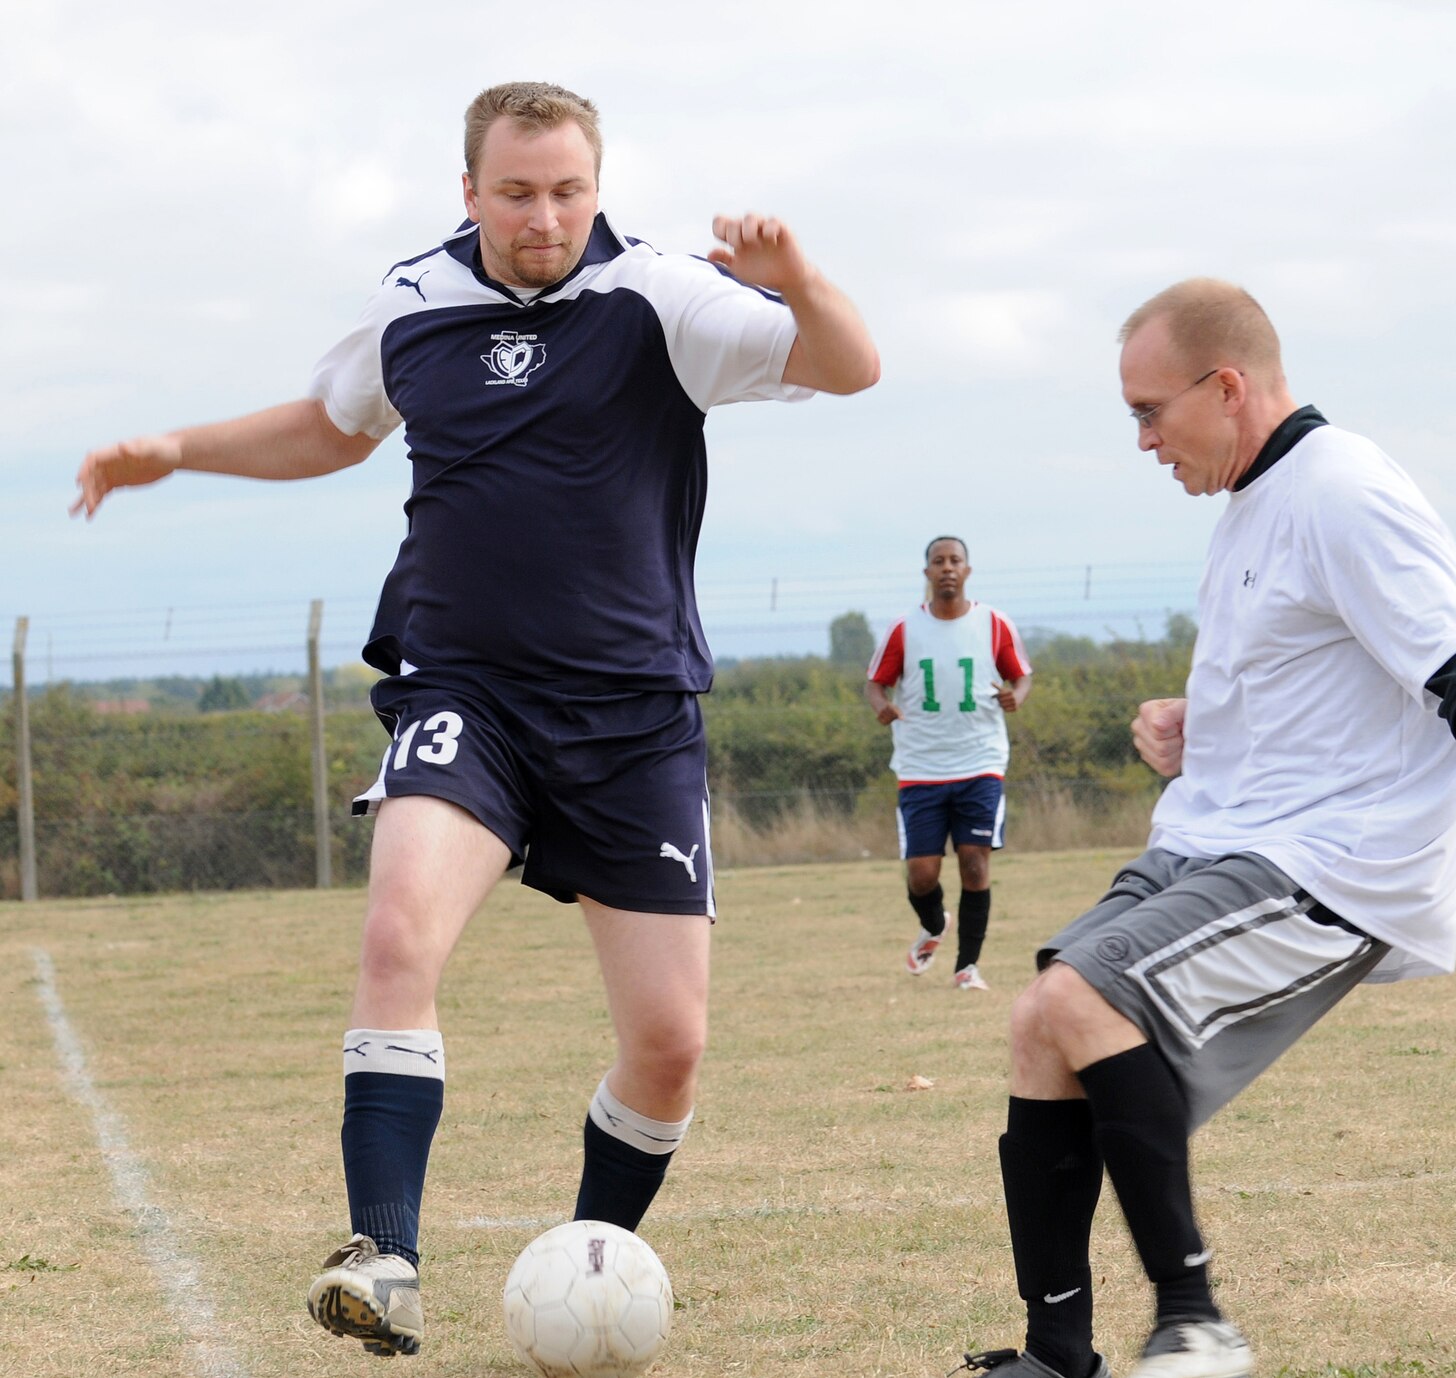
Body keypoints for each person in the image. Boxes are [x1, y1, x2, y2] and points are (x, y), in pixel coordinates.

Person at [71, 81, 879, 1359]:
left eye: (566, 191)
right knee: (397, 932)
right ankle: (381, 1252)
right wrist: (174, 449)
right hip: (466, 693)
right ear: (468, 190)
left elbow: (848, 367)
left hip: (633, 718)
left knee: (668, 1049)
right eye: (515, 192)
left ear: (596, 185)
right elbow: (329, 426)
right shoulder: (414, 302)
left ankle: (589, 1255)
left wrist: (800, 279)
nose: (542, 216)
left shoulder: (663, 297)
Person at [956, 280, 1456, 1378]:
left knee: (1085, 1001)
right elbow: (1320, 673)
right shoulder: (1253, 504)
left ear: (1226, 387)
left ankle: (1196, 1324)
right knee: (1040, 1022)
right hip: (1218, 835)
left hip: (1330, 865)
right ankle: (1057, 1356)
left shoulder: (1344, 491)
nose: (1142, 440)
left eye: (1148, 412)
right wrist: (1202, 724)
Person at [864, 536, 1033, 992]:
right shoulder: (904, 629)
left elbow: (1020, 676)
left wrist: (1013, 697)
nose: (947, 568)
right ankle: (935, 924)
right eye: (938, 561)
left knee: (975, 864)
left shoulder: (993, 623)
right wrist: (881, 706)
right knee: (922, 875)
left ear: (967, 570)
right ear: (927, 573)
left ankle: (967, 968)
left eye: (955, 560)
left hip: (981, 760)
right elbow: (876, 683)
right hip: (920, 767)